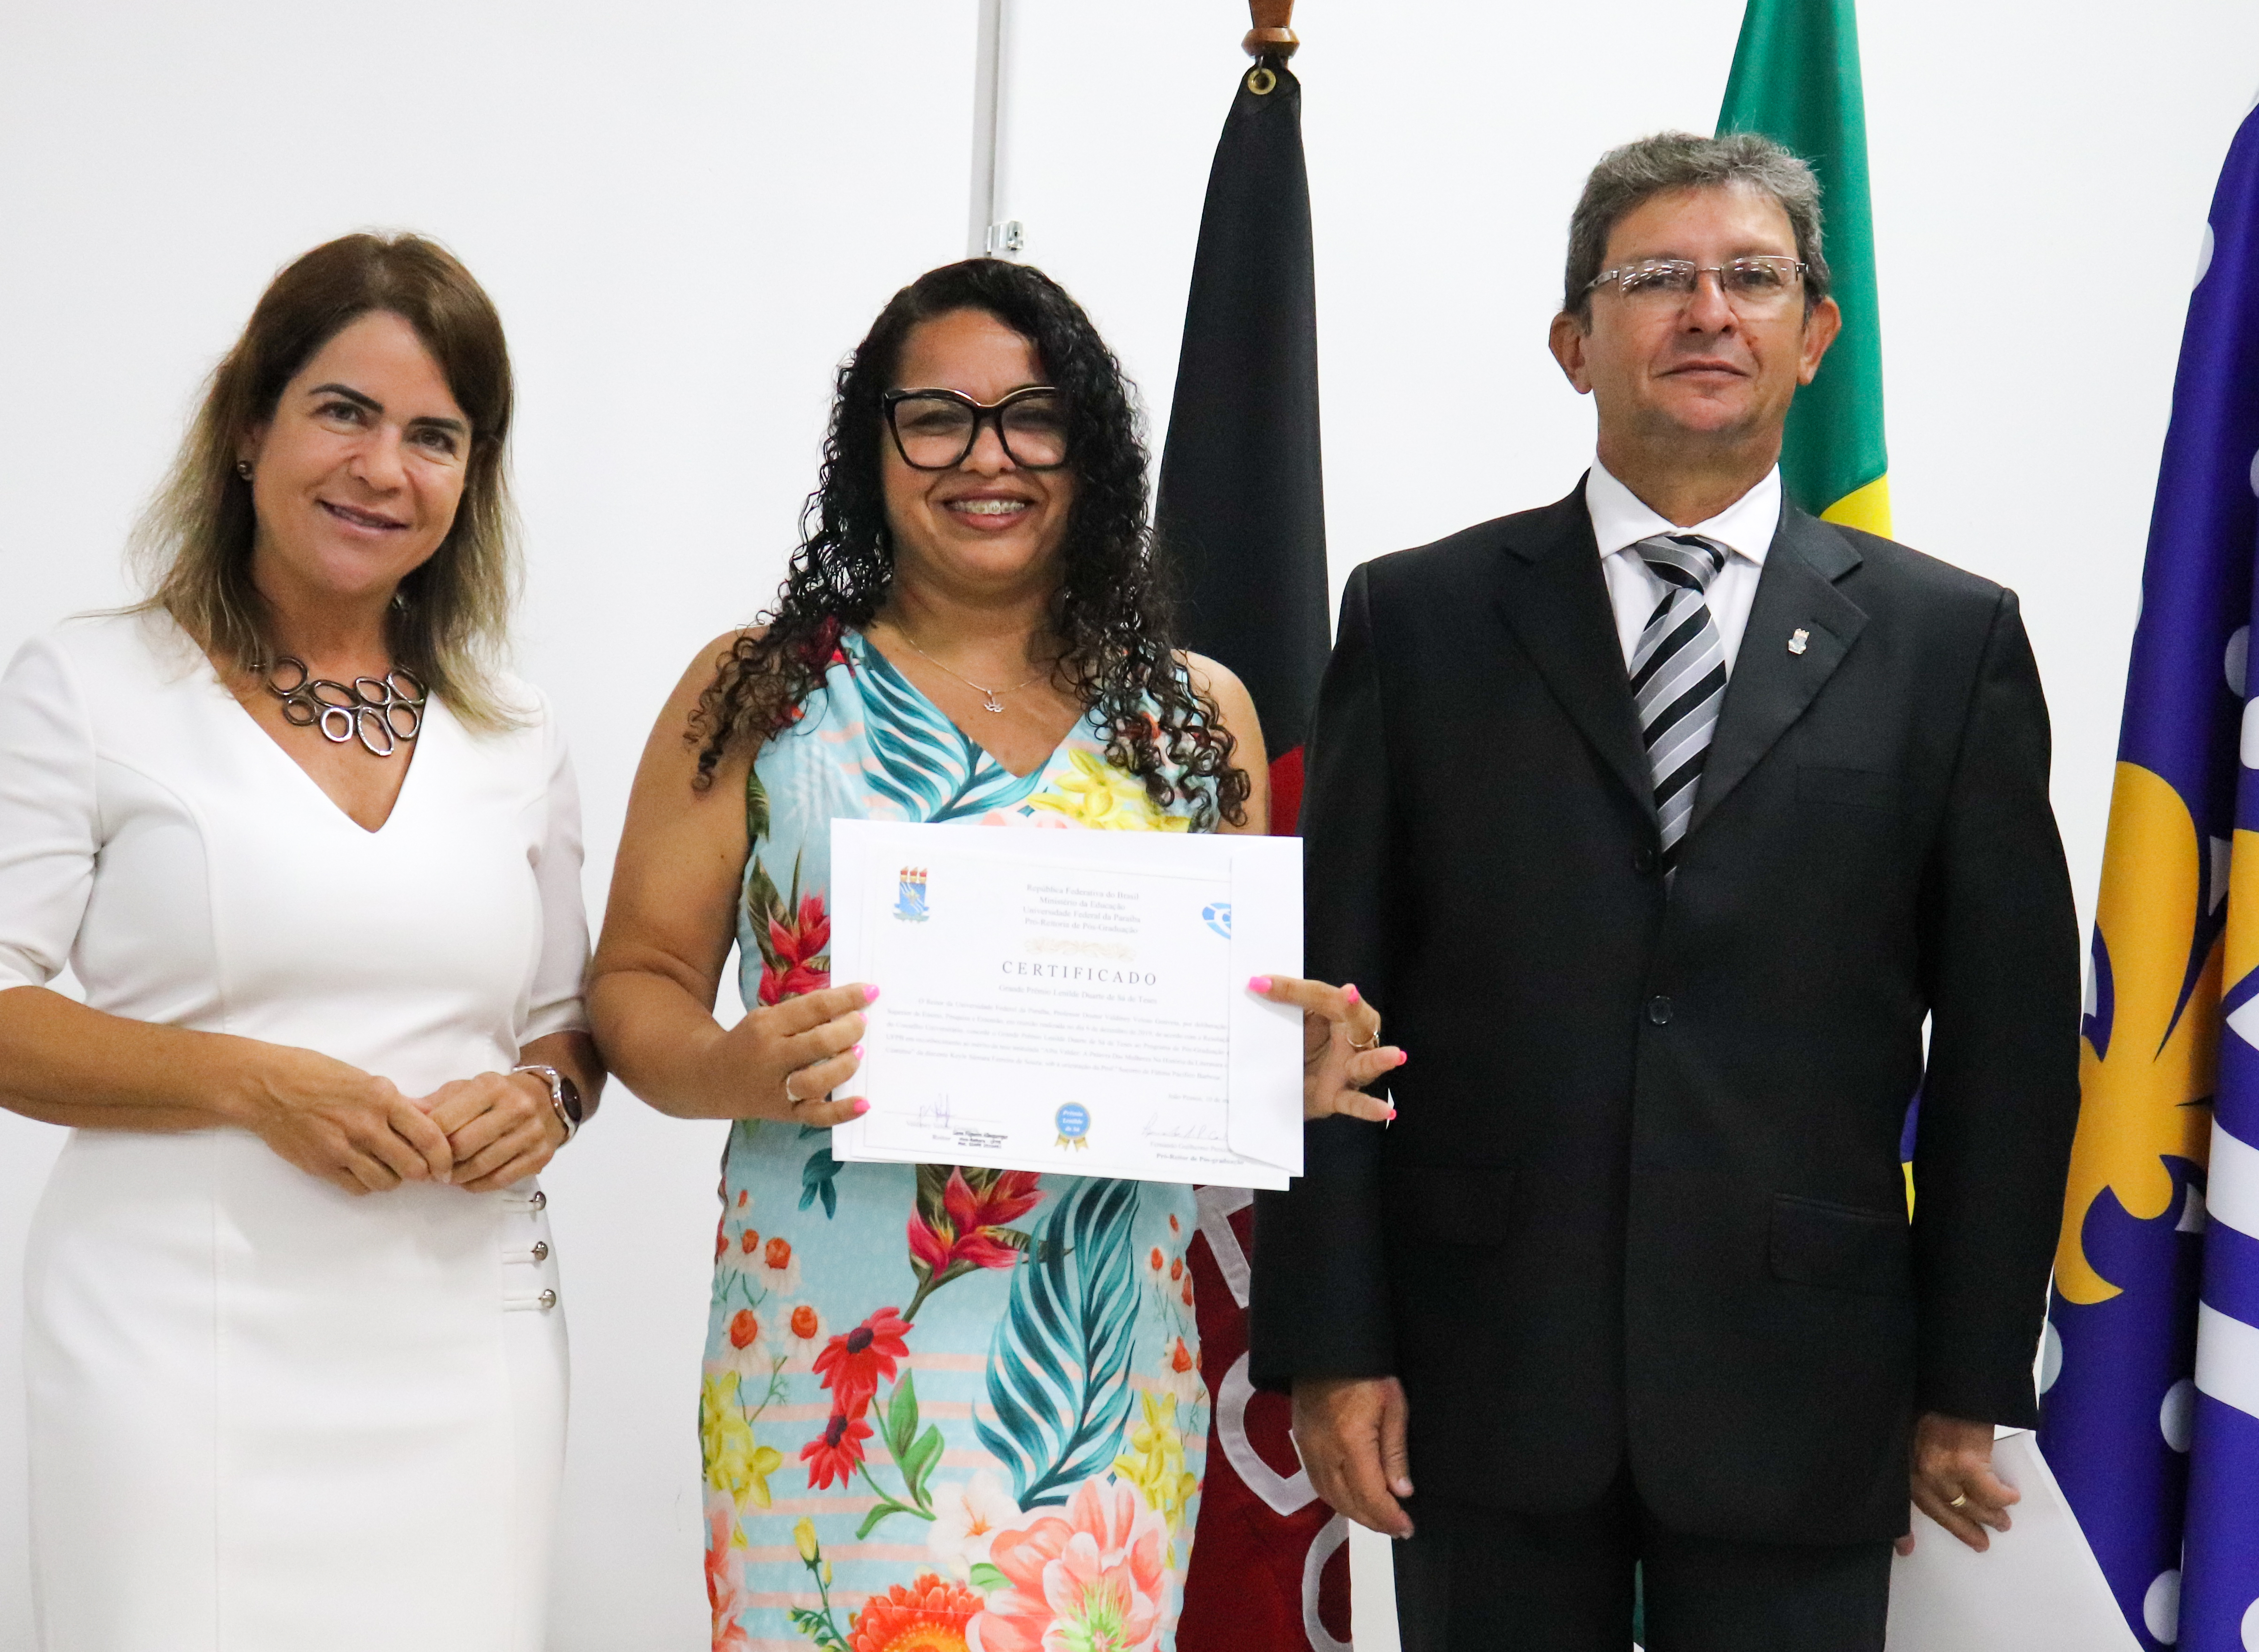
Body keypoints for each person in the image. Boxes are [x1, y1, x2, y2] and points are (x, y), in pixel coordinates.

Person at [1249, 132, 2082, 1652]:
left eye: (1754, 278)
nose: (1711, 310)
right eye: (1658, 279)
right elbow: (1331, 1005)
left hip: (1806, 1372)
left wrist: (1971, 1373)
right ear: (1575, 342)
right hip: (1479, 1367)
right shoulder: (1419, 617)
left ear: (1817, 336)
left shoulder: (1947, 644)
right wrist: (1328, 1339)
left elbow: (2010, 1051)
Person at [587, 257, 1392, 1652]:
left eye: (1032, 417)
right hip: (830, 1369)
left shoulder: (1193, 720)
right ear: (873, 447)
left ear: (1090, 449)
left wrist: (1284, 1065)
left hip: (1098, 1369)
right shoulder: (762, 689)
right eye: (938, 419)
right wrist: (728, 1062)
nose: (987, 458)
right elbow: (633, 984)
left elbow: (1216, 1031)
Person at [0, 233, 601, 1652]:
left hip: (466, 1352)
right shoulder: (91, 684)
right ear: (247, 427)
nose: (381, 468)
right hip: (176, 1352)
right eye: (341, 410)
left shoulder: (516, 728)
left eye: (434, 436)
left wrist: (544, 1097)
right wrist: (248, 1082)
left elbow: (567, 1019)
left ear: (471, 480)